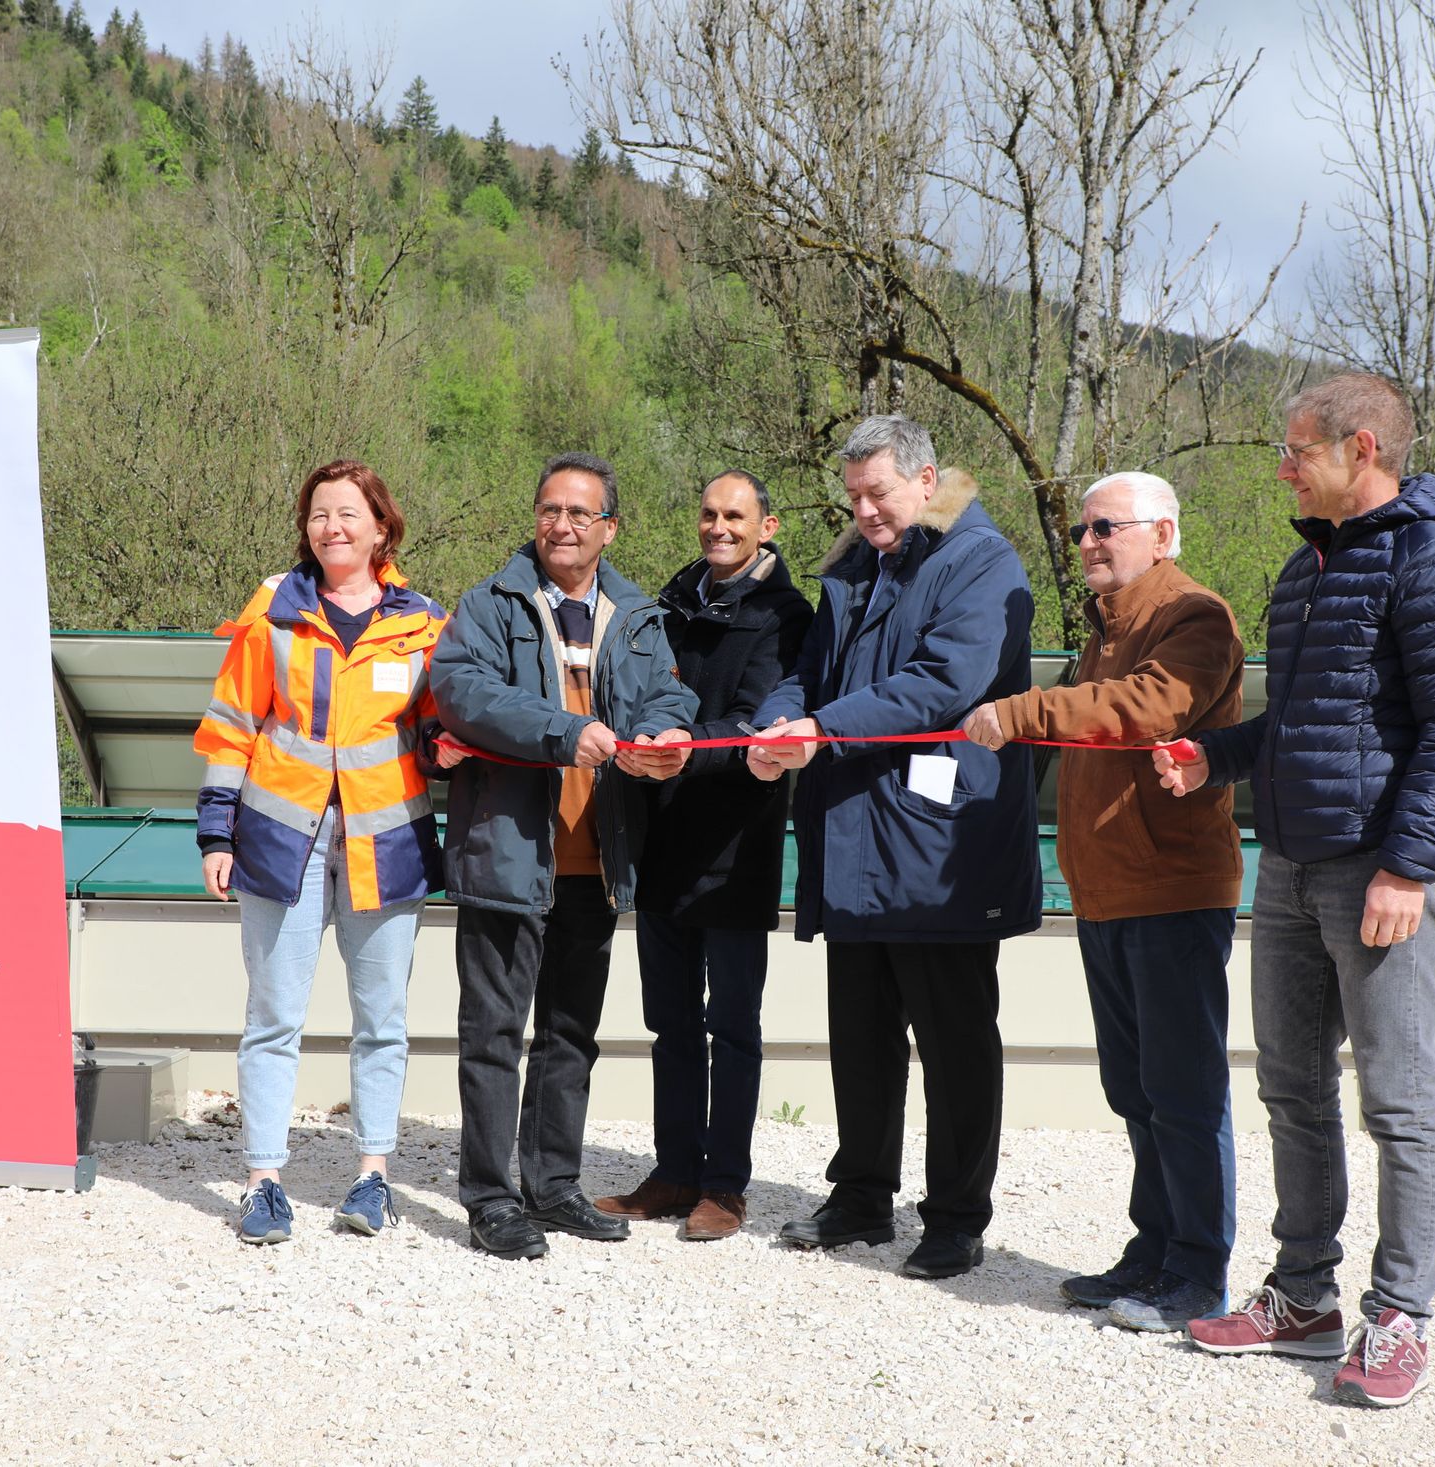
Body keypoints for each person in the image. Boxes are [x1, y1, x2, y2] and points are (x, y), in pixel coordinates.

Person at [1155, 373, 1435, 1408]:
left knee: (1395, 1100)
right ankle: (1301, 1296)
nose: (1282, 464)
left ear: (1361, 448)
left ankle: (1399, 1316)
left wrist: (1406, 864)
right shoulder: (1304, 573)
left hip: (1378, 870)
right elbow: (1299, 728)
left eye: (1297, 448)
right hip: (1292, 868)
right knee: (1292, 1090)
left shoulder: (1432, 559)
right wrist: (1211, 758)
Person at [747, 416, 1038, 1281]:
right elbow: (813, 672)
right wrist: (778, 719)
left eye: (878, 492)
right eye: (855, 496)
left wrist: (821, 728)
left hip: (938, 845)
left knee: (954, 1038)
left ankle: (955, 1216)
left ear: (927, 478)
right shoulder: (852, 567)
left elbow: (946, 682)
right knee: (861, 1030)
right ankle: (862, 1195)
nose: (865, 509)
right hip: (853, 833)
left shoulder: (981, 562)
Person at [963, 471, 1244, 1331]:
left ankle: (1198, 1273)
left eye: (1106, 526)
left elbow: (1148, 709)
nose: (1087, 541)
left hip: (1171, 892)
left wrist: (1022, 710)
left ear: (1163, 533)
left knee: (1183, 1089)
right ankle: (1153, 1250)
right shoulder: (1106, 628)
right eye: (1082, 528)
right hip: (1108, 893)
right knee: (1135, 1087)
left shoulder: (1194, 616)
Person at [430, 451, 699, 1260]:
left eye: (582, 513)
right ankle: (488, 1196)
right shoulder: (489, 604)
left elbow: (666, 692)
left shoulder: (636, 613)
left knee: (570, 1036)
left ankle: (551, 1186)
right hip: (507, 858)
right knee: (492, 1034)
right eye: (552, 509)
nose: (563, 524)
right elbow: (462, 691)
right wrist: (561, 731)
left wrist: (668, 735)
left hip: (599, 860)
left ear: (609, 528)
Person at [192, 458, 459, 1245]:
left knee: (382, 1021)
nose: (331, 527)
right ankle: (262, 1182)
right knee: (273, 1016)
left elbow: (441, 723)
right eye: (318, 514)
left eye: (347, 513)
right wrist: (215, 830)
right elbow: (233, 722)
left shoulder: (423, 622)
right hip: (280, 843)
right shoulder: (273, 610)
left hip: (389, 846)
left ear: (382, 527)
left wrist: (454, 747)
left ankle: (374, 1177)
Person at [597, 470, 814, 1242]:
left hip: (734, 842)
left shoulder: (787, 615)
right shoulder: (673, 599)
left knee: (733, 1024)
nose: (718, 526)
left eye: (735, 516)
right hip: (662, 839)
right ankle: (674, 1171)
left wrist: (681, 749)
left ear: (768, 527)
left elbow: (758, 719)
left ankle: (725, 1184)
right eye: (709, 513)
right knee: (671, 1022)